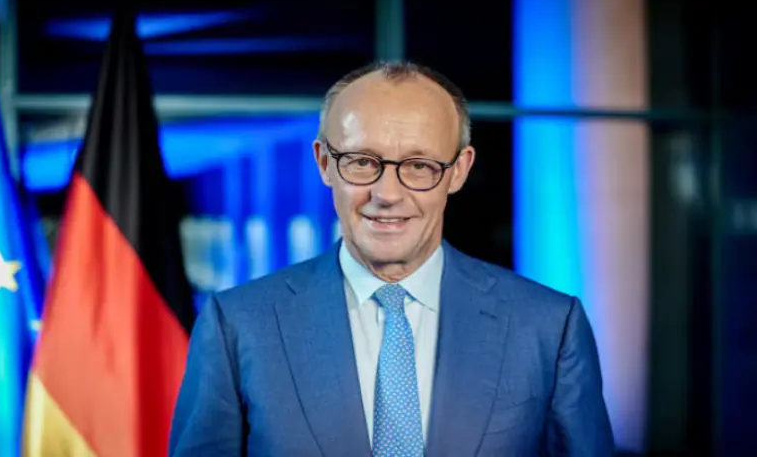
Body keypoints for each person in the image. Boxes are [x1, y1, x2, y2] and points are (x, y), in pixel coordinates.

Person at [168, 61, 615, 456]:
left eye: (420, 166)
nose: (387, 194)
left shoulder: (549, 328)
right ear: (324, 163)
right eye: (363, 161)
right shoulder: (238, 325)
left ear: (458, 171)